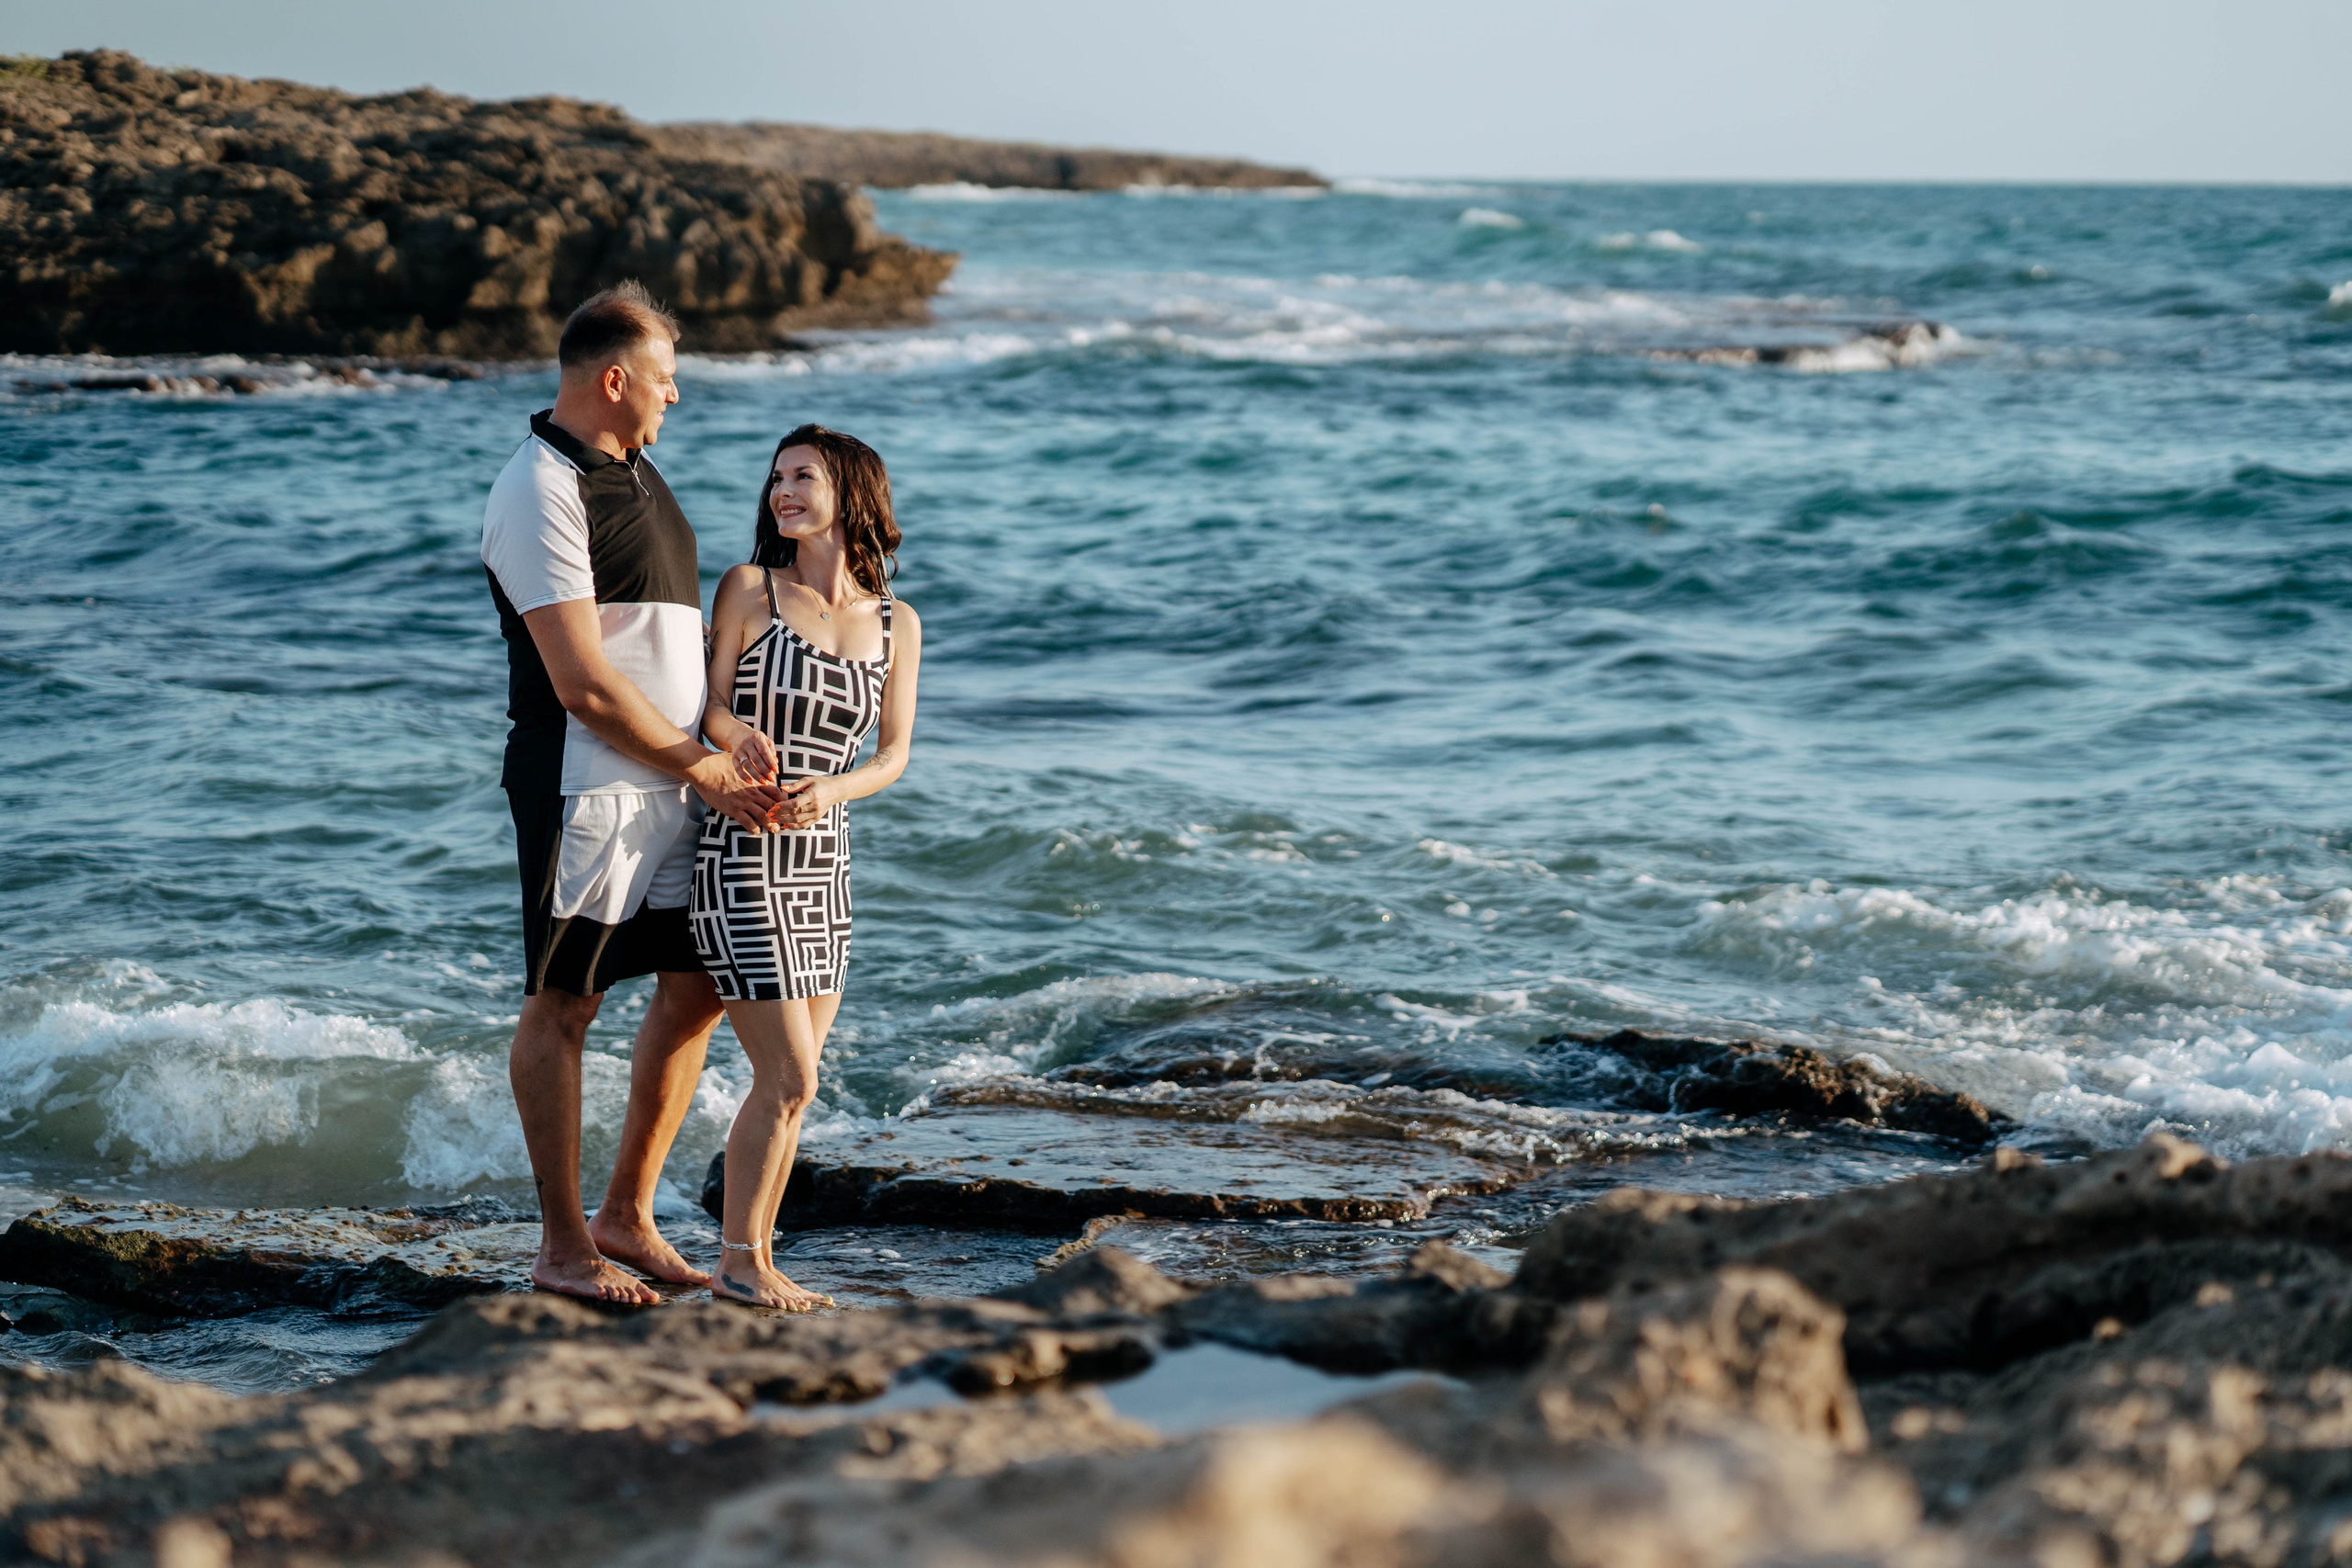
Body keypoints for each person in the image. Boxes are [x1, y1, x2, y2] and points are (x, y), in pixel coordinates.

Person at [481, 282, 784, 1304]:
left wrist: (732, 735)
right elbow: (580, 683)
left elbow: (665, 646)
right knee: (564, 1004)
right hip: (587, 788)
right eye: (664, 378)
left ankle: (627, 1215)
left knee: (695, 984)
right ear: (613, 380)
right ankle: (563, 1249)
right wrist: (697, 764)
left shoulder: (638, 470)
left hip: (673, 783)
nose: (675, 397)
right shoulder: (538, 485)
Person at [692, 425, 922, 1309]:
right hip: (740, 849)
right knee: (793, 1076)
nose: (781, 491)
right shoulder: (751, 588)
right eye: (776, 477)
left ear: (852, 492)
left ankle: (756, 1254)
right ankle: (739, 1261)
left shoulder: (897, 623)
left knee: (791, 1090)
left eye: (802, 477)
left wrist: (838, 789)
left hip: (824, 863)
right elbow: (706, 703)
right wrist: (734, 733)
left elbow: (895, 752)